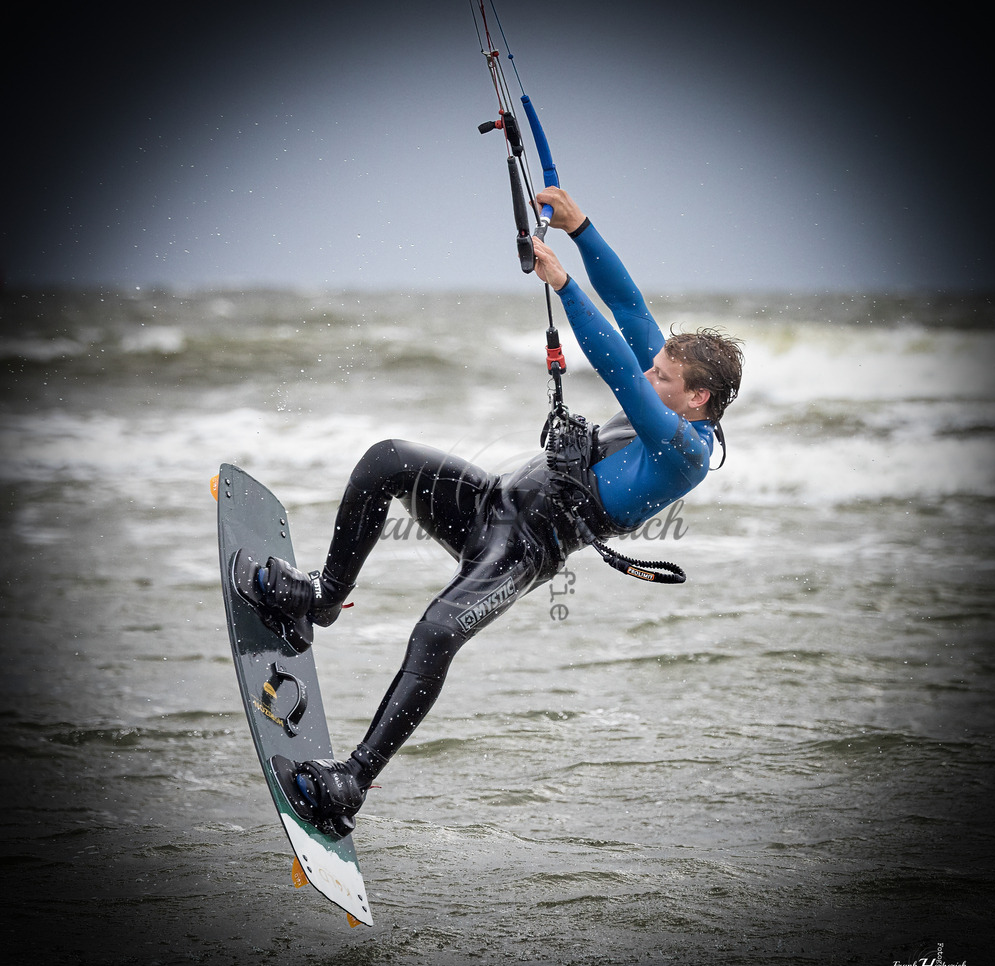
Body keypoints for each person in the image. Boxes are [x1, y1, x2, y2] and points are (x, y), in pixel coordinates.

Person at [243, 187, 744, 838]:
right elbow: (629, 307)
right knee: (386, 459)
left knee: (435, 633)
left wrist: (562, 284)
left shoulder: (684, 452)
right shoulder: (673, 382)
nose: (652, 375)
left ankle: (352, 782)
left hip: (523, 553)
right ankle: (322, 597)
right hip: (492, 502)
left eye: (664, 378)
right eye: (656, 369)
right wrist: (581, 228)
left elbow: (621, 372)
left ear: (697, 398)